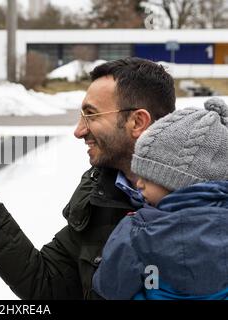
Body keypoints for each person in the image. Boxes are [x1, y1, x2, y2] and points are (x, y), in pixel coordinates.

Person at [0, 57, 176, 299]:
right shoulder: (99, 193)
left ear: (137, 122)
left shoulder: (209, 207)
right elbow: (47, 285)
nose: (79, 131)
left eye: (91, 115)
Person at [92, 97, 228, 300]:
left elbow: (109, 287)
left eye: (147, 176)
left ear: (175, 180)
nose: (139, 184)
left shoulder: (137, 231)